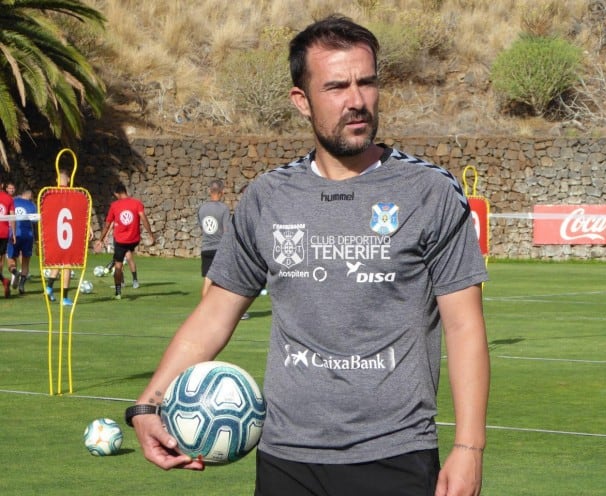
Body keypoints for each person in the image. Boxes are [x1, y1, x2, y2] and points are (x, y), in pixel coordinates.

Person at [128, 15, 489, 496]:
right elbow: (216, 312)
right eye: (337, 86)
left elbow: (464, 326)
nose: (357, 101)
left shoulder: (429, 191)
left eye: (367, 82)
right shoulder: (268, 197)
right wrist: (148, 404)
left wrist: (469, 449)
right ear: (302, 100)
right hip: (285, 457)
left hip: (395, 453)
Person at [95, 183, 155, 300]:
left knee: (118, 266)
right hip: (134, 240)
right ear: (125, 191)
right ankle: (134, 279)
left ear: (117, 194)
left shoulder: (114, 205)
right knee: (128, 255)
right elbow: (143, 218)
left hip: (121, 241)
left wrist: (100, 239)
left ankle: (118, 292)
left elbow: (107, 225)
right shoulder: (137, 203)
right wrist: (151, 235)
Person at [197, 179, 231, 297]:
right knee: (226, 281)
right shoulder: (224, 208)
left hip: (206, 248)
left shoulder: (202, 208)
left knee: (208, 280)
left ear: (209, 191)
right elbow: (227, 231)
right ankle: (231, 311)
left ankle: (205, 311)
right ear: (221, 192)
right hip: (220, 249)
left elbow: (202, 227)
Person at [45, 171, 74, 305]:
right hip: (67, 234)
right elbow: (78, 213)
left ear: (57, 179)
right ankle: (65, 298)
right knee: (67, 265)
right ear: (68, 179)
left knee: (57, 262)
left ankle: (49, 287)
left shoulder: (50, 194)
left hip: (54, 233)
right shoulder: (73, 194)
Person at [7, 189, 38, 294]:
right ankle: (21, 286)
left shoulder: (13, 201)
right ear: (30, 196)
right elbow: (35, 220)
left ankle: (15, 272)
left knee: (11, 259)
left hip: (14, 234)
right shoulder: (32, 205)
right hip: (28, 236)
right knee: (25, 263)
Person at [0, 175, 16, 298]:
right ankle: (4, 281)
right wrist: (14, 233)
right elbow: (12, 218)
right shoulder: (8, 198)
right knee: (1, 261)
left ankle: (4, 281)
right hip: (4, 233)